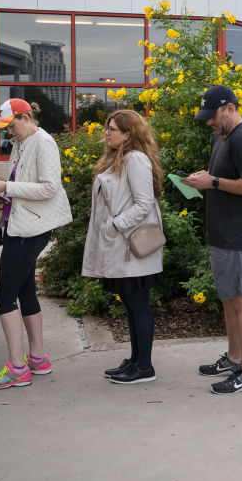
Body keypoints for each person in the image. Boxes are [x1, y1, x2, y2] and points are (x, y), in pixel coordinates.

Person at [0, 99, 72, 389]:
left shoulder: (42, 142)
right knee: (24, 289)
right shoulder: (24, 142)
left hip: (31, 228)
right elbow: (26, 186)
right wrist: (1, 196)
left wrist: (6, 187)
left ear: (26, 116)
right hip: (23, 224)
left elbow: (49, 187)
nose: (9, 132)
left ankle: (17, 368)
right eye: (5, 128)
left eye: (12, 125)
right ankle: (37, 358)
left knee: (4, 293)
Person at [186, 85, 242, 394]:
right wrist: (203, 180)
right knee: (229, 300)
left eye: (214, 116)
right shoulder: (221, 136)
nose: (209, 122)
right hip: (223, 233)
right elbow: (220, 177)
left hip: (241, 235)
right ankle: (234, 359)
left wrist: (214, 182)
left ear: (230, 108)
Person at [83, 110, 165, 384]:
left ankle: (144, 367)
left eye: (113, 129)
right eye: (107, 128)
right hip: (120, 247)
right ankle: (135, 360)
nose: (107, 133)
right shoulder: (117, 159)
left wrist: (116, 225)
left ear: (129, 133)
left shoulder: (136, 160)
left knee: (138, 304)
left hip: (132, 247)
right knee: (130, 304)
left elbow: (144, 203)